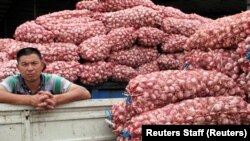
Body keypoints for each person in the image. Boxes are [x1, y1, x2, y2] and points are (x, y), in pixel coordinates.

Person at [0, 47, 91, 110]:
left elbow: (84, 93)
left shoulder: (52, 80)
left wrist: (55, 99)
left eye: (34, 63)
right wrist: (30, 100)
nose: (30, 68)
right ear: (18, 67)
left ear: (42, 65)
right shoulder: (13, 81)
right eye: (24, 64)